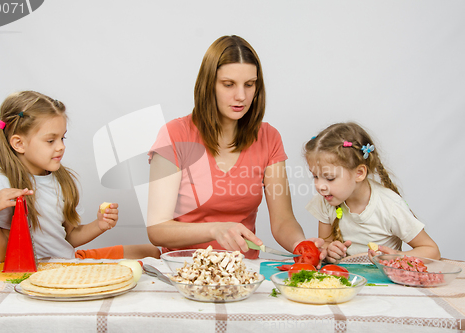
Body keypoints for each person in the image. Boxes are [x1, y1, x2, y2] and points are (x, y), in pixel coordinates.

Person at [146, 35, 324, 260]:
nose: (241, 96)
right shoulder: (174, 135)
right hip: (184, 270)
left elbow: (283, 221)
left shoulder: (269, 137)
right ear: (208, 84)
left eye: (249, 84)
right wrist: (214, 229)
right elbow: (157, 229)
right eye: (229, 84)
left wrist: (302, 245)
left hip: (242, 273)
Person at [0, 91, 160, 262]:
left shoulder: (62, 181)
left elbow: (69, 237)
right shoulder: (5, 185)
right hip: (39, 268)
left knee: (151, 252)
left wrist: (99, 225)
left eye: (62, 138)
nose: (61, 147)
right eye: (51, 140)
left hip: (68, 261)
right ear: (19, 143)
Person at [304, 122, 440, 263]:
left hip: (384, 283)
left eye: (329, 178)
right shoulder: (325, 200)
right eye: (315, 176)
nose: (319, 186)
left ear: (359, 173)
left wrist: (396, 257)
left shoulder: (389, 206)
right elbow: (326, 243)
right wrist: (329, 251)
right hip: (346, 281)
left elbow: (431, 250)